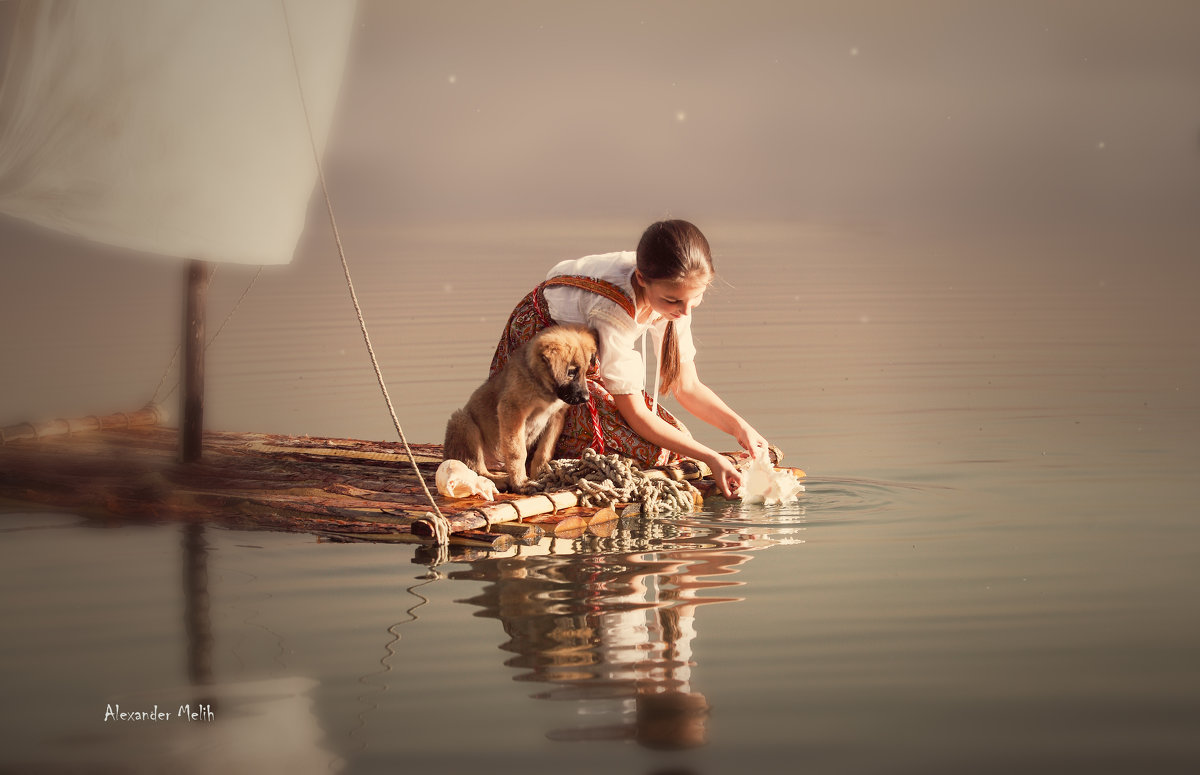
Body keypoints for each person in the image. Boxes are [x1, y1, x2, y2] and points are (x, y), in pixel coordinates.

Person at [489, 219, 768, 497]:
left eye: (694, 299)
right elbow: (635, 413)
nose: (684, 312)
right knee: (652, 453)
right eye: (673, 301)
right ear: (642, 279)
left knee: (675, 440)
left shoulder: (674, 292)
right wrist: (711, 457)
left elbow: (687, 386)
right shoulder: (613, 308)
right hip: (545, 354)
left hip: (590, 353)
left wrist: (740, 428)